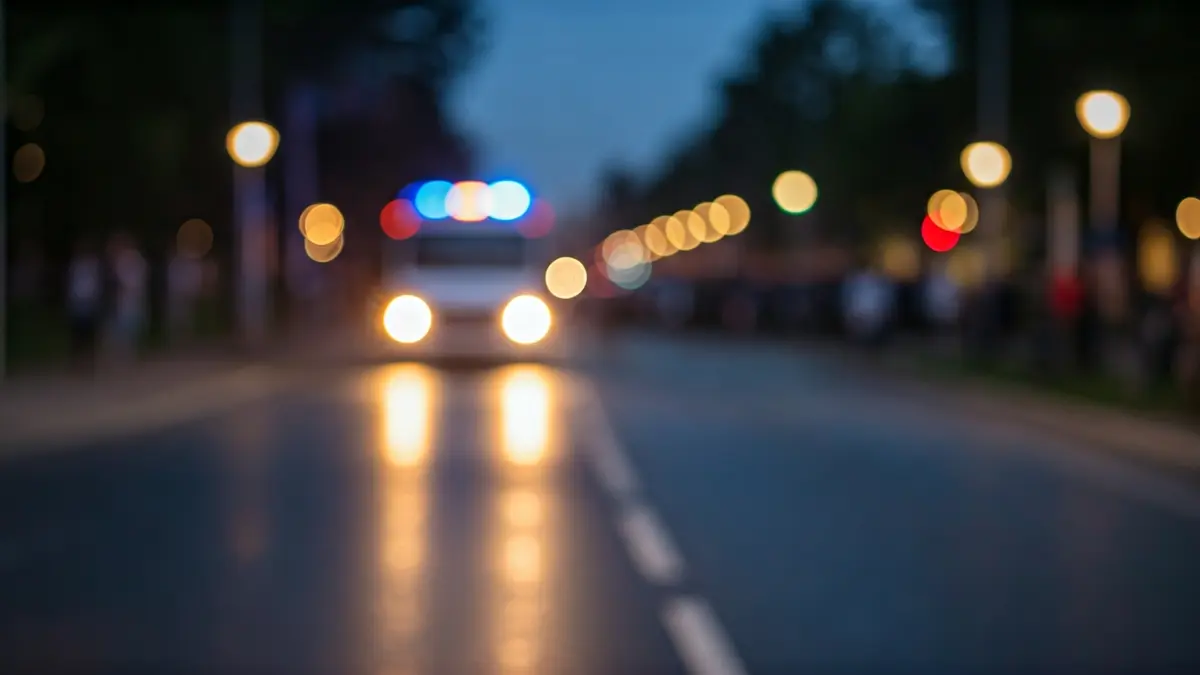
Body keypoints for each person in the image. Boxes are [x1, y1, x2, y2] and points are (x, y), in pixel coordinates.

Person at [104, 232, 148, 367]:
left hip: (128, 302)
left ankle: (126, 359)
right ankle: (123, 358)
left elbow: (132, 283)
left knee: (126, 331)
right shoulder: (122, 260)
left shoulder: (130, 259)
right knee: (121, 332)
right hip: (122, 302)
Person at [66, 239, 103, 371]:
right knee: (78, 336)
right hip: (78, 304)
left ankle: (89, 363)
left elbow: (97, 286)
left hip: (89, 304)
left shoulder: (94, 266)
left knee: (89, 336)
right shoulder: (75, 266)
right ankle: (77, 363)